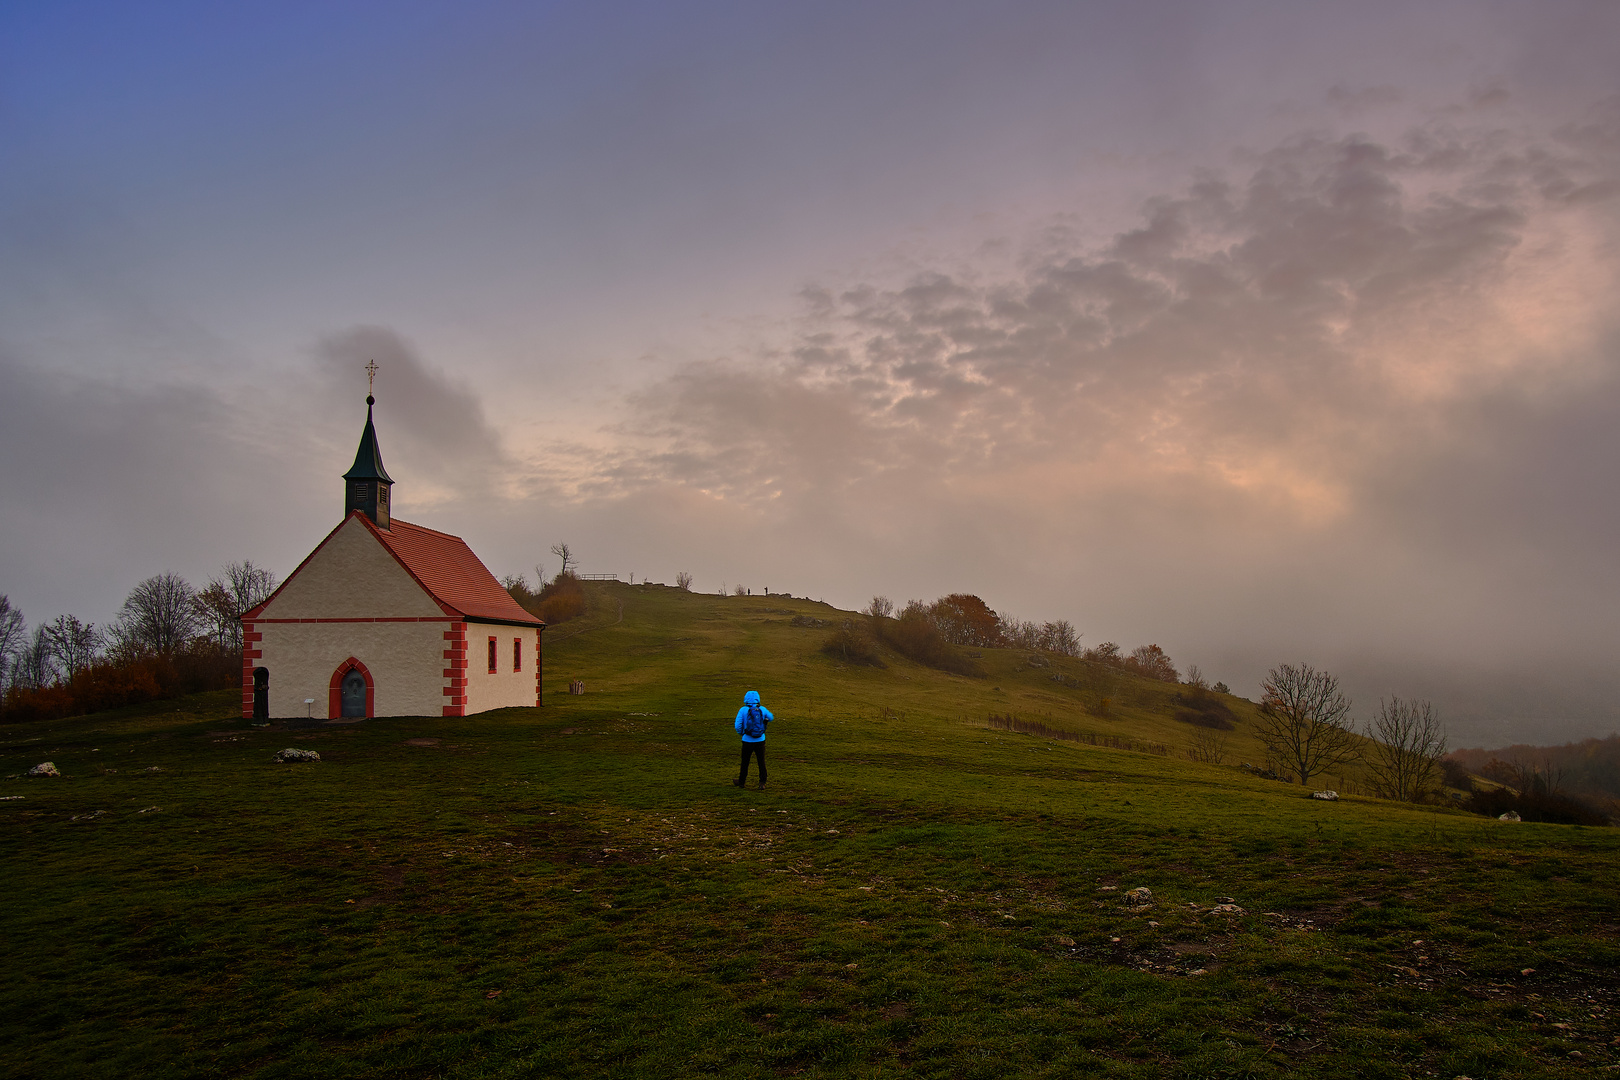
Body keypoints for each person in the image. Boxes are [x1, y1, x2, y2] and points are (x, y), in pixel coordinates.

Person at [732, 689, 775, 789]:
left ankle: (741, 782)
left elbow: (738, 725)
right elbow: (771, 717)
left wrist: (742, 733)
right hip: (760, 740)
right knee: (761, 762)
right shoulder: (762, 709)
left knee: (745, 762)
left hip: (747, 740)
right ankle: (762, 782)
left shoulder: (743, 710)